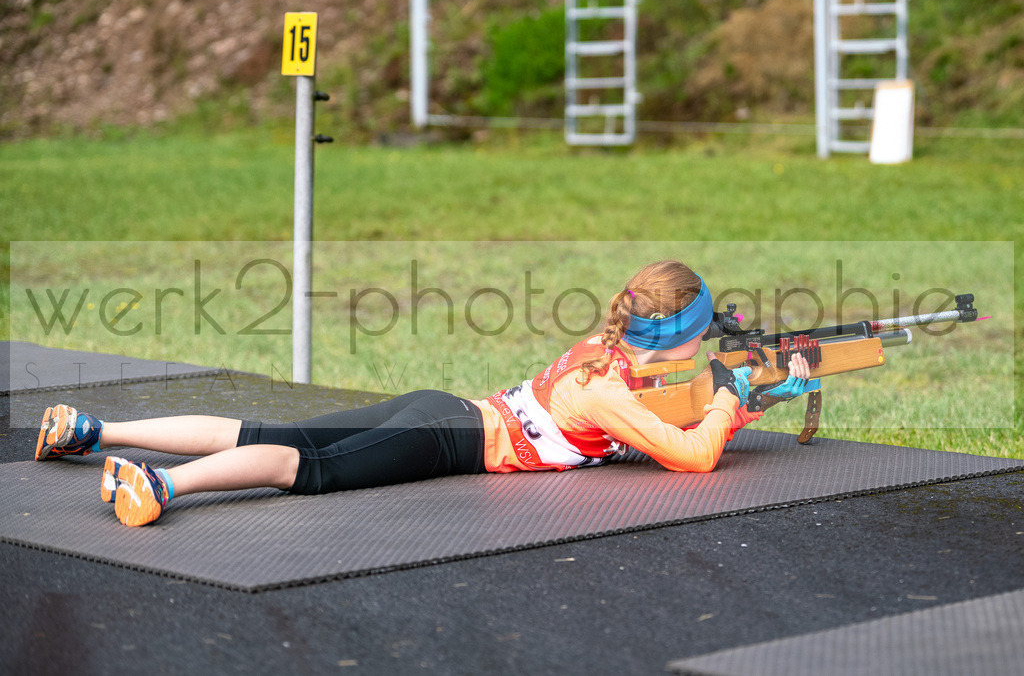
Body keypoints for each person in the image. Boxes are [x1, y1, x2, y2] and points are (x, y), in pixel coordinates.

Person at [34, 260, 816, 527]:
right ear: (679, 338)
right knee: (301, 467)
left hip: (446, 408)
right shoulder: (611, 387)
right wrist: (734, 395)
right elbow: (691, 453)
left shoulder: (608, 354)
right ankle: (161, 485)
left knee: (272, 429)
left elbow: (677, 401)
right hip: (452, 438)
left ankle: (94, 429)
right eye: (704, 329)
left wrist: (754, 391)